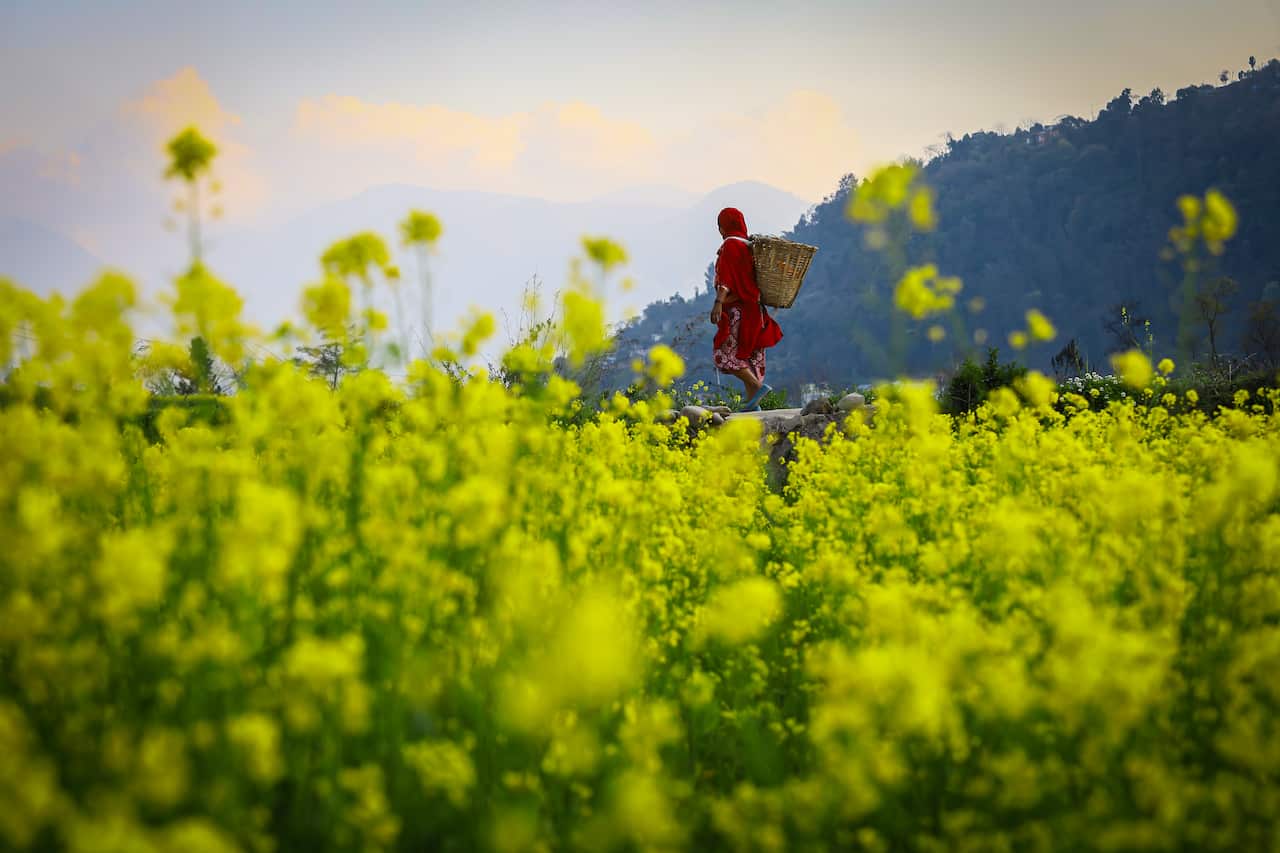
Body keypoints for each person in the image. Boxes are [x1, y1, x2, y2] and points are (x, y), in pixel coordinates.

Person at [709, 207, 783, 411]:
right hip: (754, 311)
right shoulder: (747, 245)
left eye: (720, 225)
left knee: (724, 354)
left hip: (738, 312)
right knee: (747, 357)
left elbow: (727, 279)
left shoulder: (731, 245)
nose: (719, 230)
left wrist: (718, 302)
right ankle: (752, 405)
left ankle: (757, 387)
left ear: (725, 225)